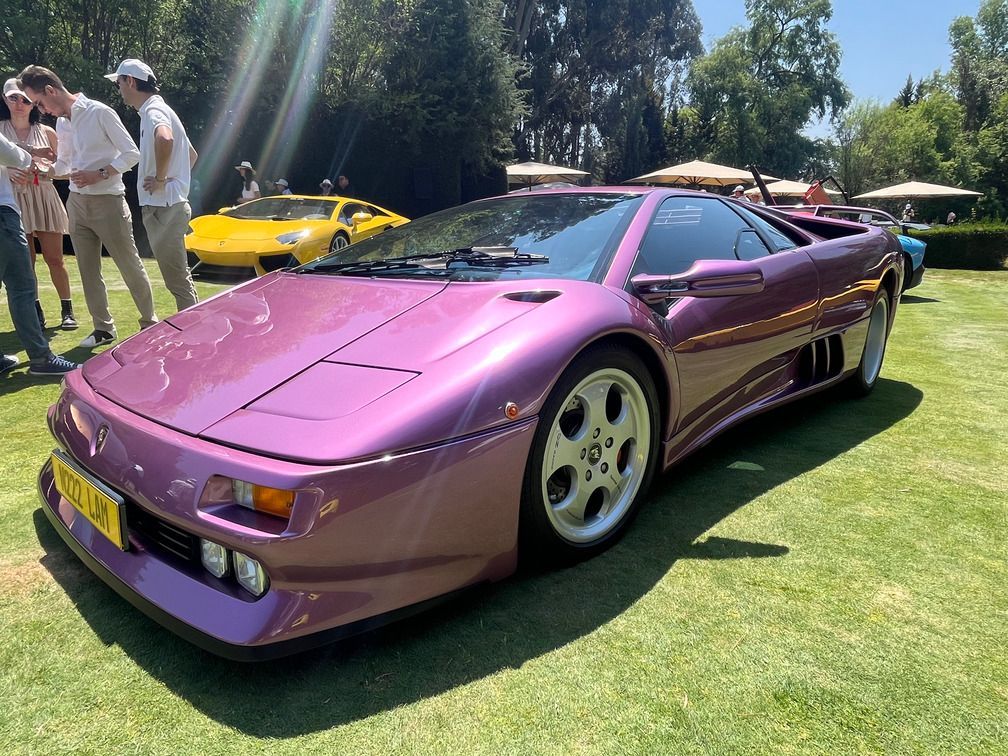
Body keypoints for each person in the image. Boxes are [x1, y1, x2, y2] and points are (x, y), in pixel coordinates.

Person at [19, 64, 158, 348]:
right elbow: (65, 164)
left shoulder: (100, 112)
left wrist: (100, 173)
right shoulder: (63, 123)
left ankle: (150, 323)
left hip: (109, 201)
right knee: (87, 269)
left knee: (129, 265)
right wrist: (43, 170)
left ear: (50, 90)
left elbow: (132, 153)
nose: (41, 110)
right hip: (77, 202)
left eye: (39, 102)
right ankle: (103, 328)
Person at [109, 58, 198, 312]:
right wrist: (174, 180)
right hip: (169, 205)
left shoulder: (152, 111)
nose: (119, 89)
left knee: (178, 282)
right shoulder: (158, 109)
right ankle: (195, 329)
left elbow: (165, 139)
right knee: (179, 280)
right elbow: (191, 155)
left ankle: (196, 332)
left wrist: (161, 181)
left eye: (119, 83)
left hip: (163, 208)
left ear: (130, 81)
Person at [0, 78, 76, 330]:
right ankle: (35, 311)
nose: (19, 104)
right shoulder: (1, 130)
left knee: (55, 258)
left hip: (44, 195)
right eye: (13, 98)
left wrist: (46, 169)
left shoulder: (48, 132)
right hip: (13, 199)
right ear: (4, 99)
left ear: (33, 103)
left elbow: (65, 169)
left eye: (25, 99)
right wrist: (9, 171)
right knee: (26, 261)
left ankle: (67, 310)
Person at [0, 130, 78, 375]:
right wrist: (30, 152)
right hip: (2, 215)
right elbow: (17, 158)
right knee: (22, 288)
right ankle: (41, 358)